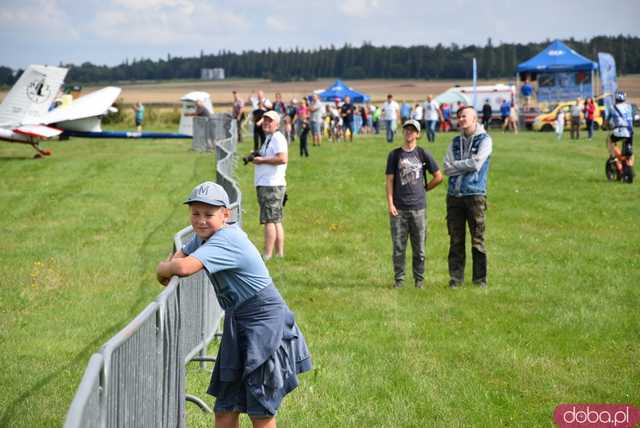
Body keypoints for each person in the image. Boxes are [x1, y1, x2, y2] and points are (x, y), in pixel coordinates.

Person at [156, 181, 312, 428]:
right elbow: (180, 256)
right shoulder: (204, 237)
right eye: (195, 213)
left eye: (209, 214)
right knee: (226, 408)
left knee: (260, 409)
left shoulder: (226, 239)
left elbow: (182, 267)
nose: (201, 220)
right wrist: (170, 267)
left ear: (225, 214)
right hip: (237, 322)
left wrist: (162, 268)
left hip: (263, 323)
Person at [386, 120, 443, 289]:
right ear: (403, 133)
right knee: (398, 247)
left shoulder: (423, 154)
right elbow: (389, 181)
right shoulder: (394, 155)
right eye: (407, 130)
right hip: (399, 209)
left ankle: (419, 281)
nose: (409, 133)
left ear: (418, 134)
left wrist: (425, 188)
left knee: (419, 249)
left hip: (419, 208)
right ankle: (399, 281)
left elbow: (438, 176)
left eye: (413, 130)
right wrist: (390, 204)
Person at [443, 107, 492, 289]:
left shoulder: (485, 140)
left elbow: (477, 163)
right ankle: (456, 279)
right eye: (459, 117)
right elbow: (446, 168)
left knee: (477, 238)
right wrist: (464, 165)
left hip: (474, 195)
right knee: (455, 239)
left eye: (464, 116)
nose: (461, 119)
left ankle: (480, 280)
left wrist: (457, 165)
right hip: (454, 196)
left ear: (474, 119)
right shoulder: (454, 142)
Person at [251, 111, 288, 259]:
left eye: (270, 121)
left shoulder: (278, 138)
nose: (266, 123)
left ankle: (267, 254)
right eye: (265, 120)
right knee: (275, 219)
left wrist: (262, 161)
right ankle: (279, 254)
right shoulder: (270, 138)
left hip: (271, 185)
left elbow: (282, 158)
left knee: (269, 221)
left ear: (277, 124)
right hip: (269, 184)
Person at [607, 90, 634, 182]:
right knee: (629, 152)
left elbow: (607, 121)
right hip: (630, 132)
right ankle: (630, 167)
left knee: (610, 140)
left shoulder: (613, 107)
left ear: (616, 99)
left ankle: (614, 157)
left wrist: (604, 126)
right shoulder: (629, 107)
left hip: (619, 131)